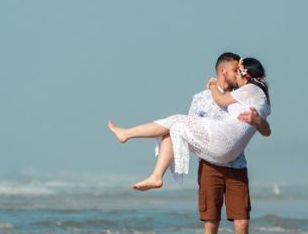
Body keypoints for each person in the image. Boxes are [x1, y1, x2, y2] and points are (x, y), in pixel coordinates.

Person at [108, 56, 270, 191]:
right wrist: (257, 120)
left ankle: (127, 134)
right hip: (228, 150)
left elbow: (220, 100)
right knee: (176, 129)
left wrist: (213, 86)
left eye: (238, 72)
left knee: (176, 119)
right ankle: (156, 177)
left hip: (225, 142)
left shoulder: (250, 90)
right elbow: (267, 131)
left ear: (246, 75)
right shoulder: (260, 96)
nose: (236, 77)